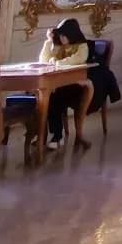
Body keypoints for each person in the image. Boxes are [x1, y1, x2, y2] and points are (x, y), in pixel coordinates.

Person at [39, 18, 94, 150]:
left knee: (55, 96)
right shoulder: (60, 45)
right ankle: (54, 134)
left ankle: (57, 136)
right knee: (49, 96)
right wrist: (49, 42)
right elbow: (43, 60)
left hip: (76, 85)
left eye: (64, 35)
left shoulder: (82, 46)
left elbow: (76, 60)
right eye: (61, 35)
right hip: (60, 84)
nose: (62, 38)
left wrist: (56, 62)